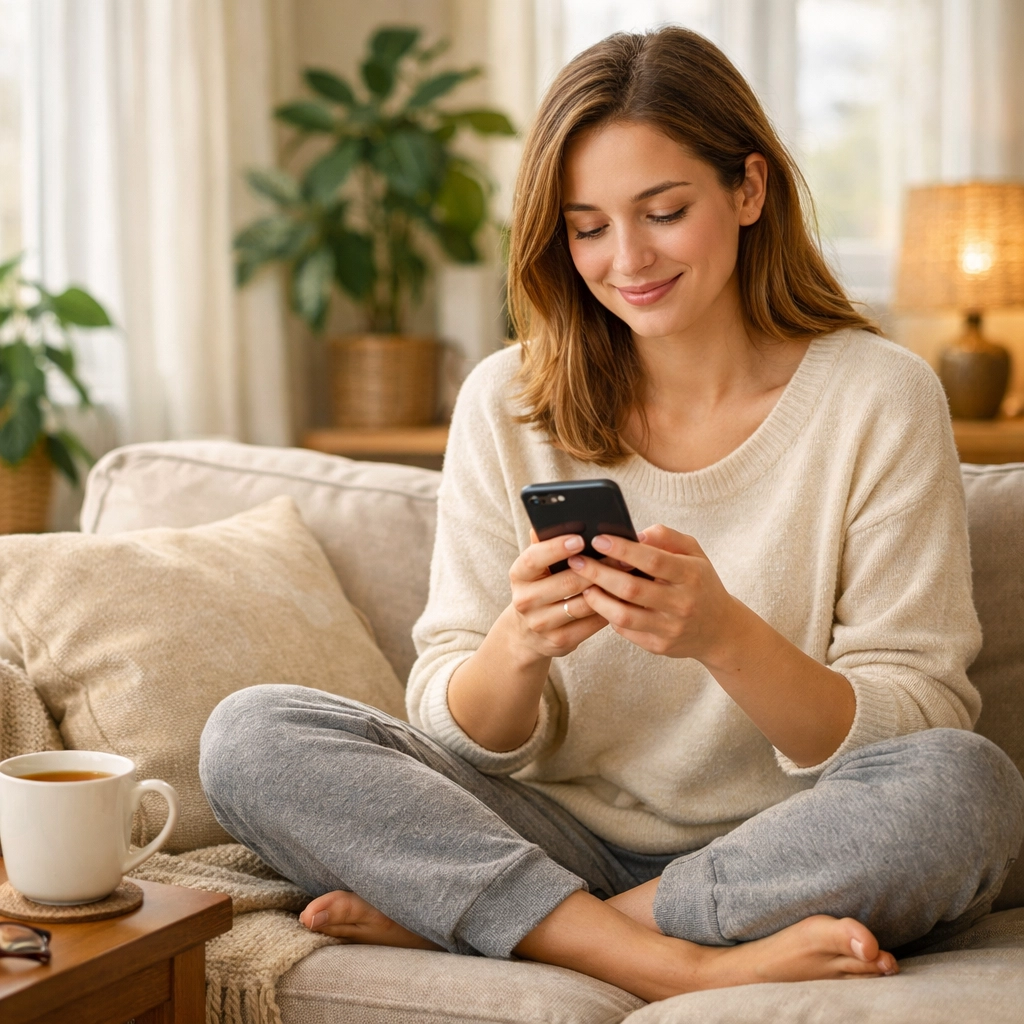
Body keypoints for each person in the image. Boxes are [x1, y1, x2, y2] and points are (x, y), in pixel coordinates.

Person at [199, 27, 1024, 1002]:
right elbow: (452, 725)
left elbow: (914, 720)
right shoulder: (508, 399)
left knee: (967, 788)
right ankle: (663, 958)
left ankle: (522, 922)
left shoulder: (879, 396)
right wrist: (517, 645)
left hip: (785, 844)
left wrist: (723, 637)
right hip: (547, 830)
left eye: (663, 212)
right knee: (252, 733)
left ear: (749, 189)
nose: (626, 258)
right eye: (586, 227)